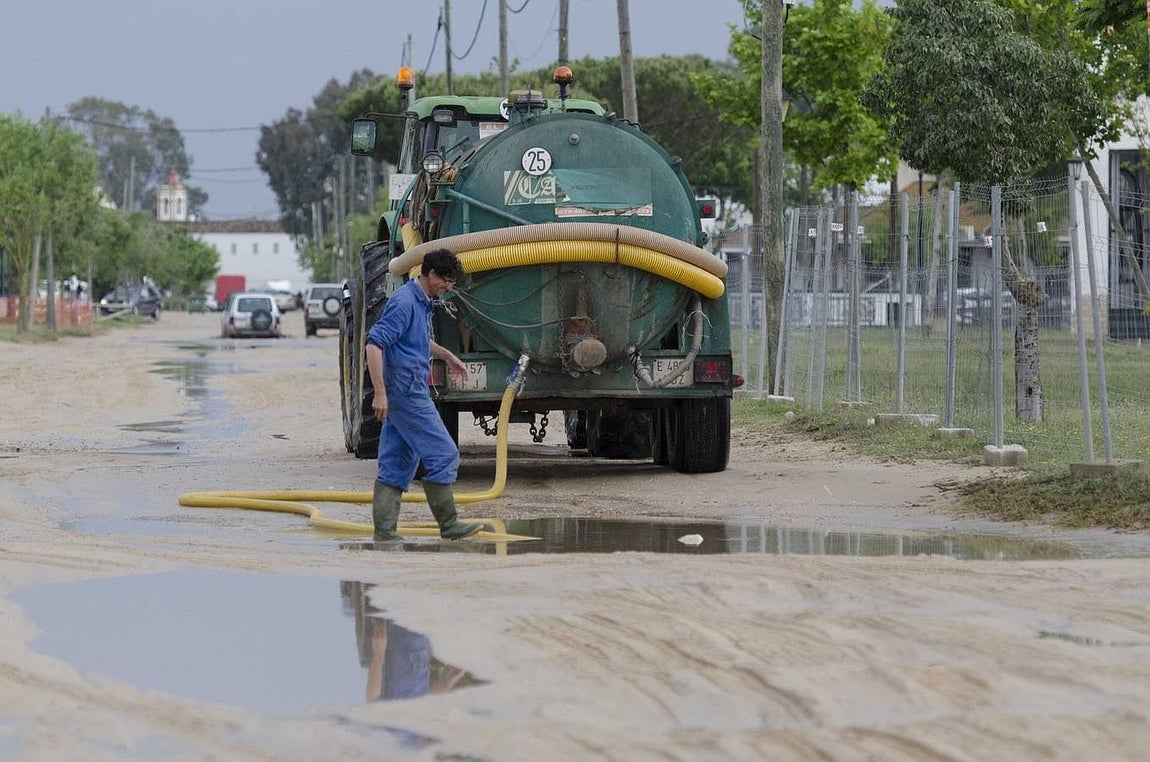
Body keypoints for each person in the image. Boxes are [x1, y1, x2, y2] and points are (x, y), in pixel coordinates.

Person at [365, 248, 484, 542]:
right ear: (430, 274)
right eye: (445, 280)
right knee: (444, 454)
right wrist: (380, 394)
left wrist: (446, 355)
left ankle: (385, 532)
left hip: (406, 388)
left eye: (452, 282)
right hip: (406, 390)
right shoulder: (405, 303)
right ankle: (449, 524)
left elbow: (415, 338)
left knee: (397, 461)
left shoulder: (422, 302)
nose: (449, 287)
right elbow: (374, 345)